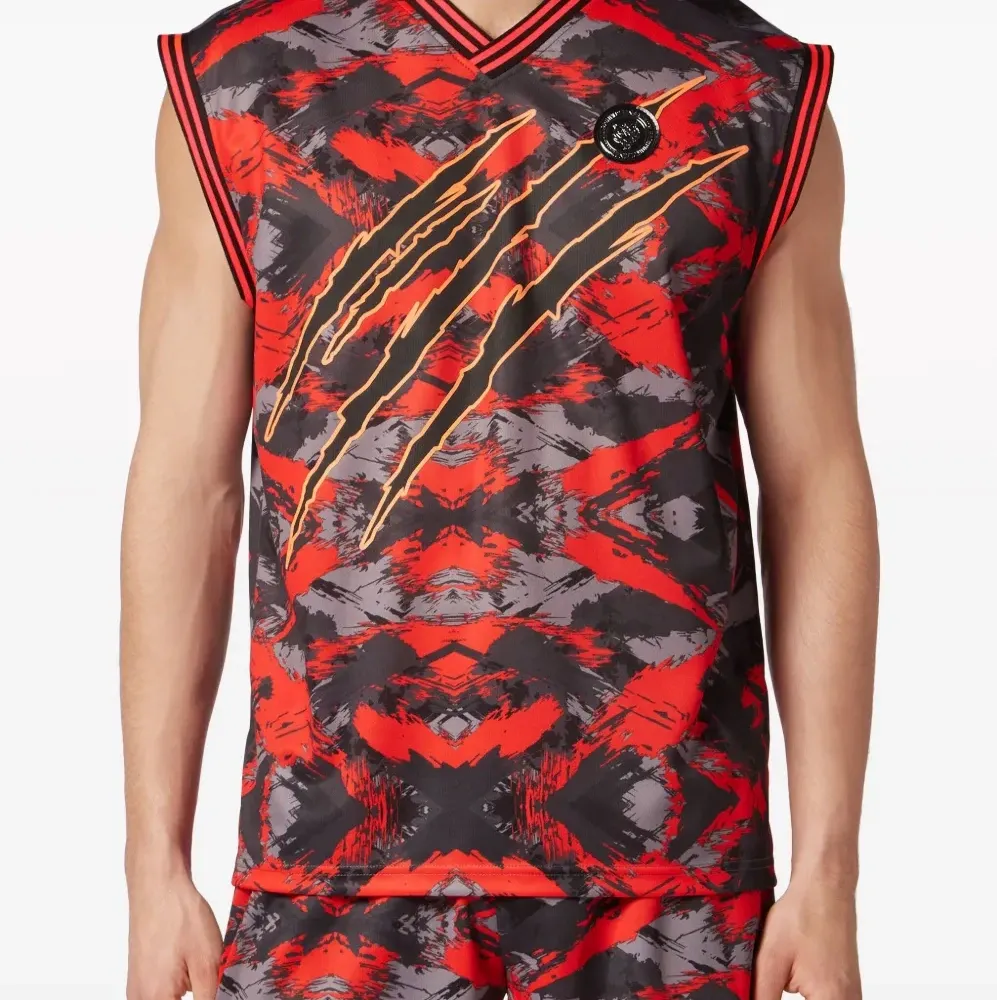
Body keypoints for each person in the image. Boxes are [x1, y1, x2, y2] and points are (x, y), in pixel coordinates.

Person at [121, 0, 878, 997]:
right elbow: (188, 481)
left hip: (669, 869)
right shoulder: (241, 83)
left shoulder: (745, 84)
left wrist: (829, 874)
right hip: (326, 864)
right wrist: (153, 869)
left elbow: (815, 479)